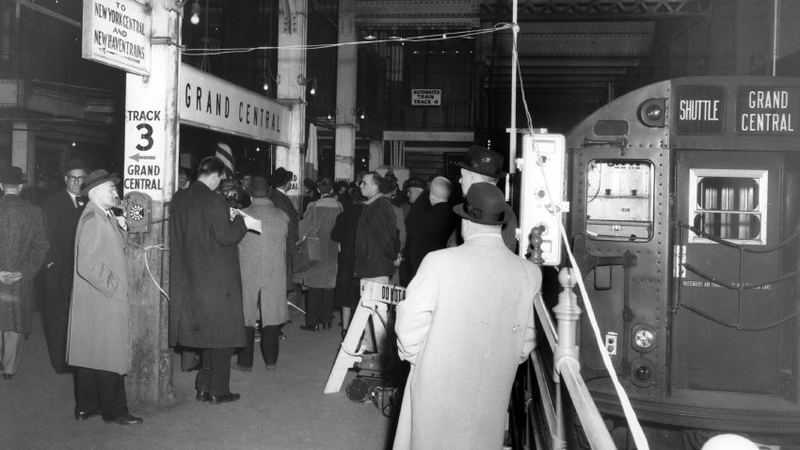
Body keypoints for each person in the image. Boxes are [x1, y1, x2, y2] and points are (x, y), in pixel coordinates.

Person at [393, 183, 540, 450]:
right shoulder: (529, 272)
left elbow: (408, 324)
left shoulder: (438, 262)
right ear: (501, 225)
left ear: (466, 223)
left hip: (437, 381)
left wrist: (422, 358)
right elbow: (528, 338)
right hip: (493, 386)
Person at [169, 156, 249, 404]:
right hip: (217, 279)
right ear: (215, 175)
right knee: (223, 336)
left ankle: (203, 386)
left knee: (206, 336)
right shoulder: (215, 200)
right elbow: (226, 236)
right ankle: (219, 390)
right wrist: (240, 220)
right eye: (221, 179)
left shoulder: (179, 197)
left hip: (191, 276)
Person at [66, 169, 142, 424]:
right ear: (96, 192)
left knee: (91, 353)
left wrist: (120, 227)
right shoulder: (94, 220)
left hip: (93, 300)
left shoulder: (99, 215)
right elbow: (87, 265)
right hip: (103, 297)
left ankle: (87, 406)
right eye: (111, 188)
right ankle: (115, 412)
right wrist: (113, 286)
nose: (116, 192)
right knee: (110, 354)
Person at [0, 166, 49, 380]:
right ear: (21, 186)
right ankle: (9, 368)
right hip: (20, 278)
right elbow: (41, 247)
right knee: (15, 322)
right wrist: (23, 271)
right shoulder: (35, 212)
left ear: (1, 186)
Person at [235, 176, 288, 370]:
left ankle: (245, 362)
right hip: (274, 271)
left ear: (250, 195)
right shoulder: (282, 216)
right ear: (269, 193)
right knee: (271, 314)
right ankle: (271, 361)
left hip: (247, 269)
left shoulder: (241, 215)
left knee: (247, 314)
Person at [41, 158, 88, 374]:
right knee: (57, 317)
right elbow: (44, 236)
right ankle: (60, 362)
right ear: (66, 179)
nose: (77, 182)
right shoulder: (52, 202)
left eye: (81, 178)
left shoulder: (89, 202)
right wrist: (50, 262)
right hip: (58, 268)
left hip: (82, 270)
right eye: (73, 178)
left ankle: (77, 359)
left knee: (78, 317)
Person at [297, 178, 342, 331]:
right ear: (331, 191)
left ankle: (312, 322)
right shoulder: (339, 206)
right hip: (333, 249)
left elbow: (303, 228)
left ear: (318, 191)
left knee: (314, 287)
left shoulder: (313, 206)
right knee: (329, 285)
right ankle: (327, 320)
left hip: (315, 249)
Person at [457, 145, 520, 251]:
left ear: (473, 179)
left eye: (462, 176)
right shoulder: (505, 213)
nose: (460, 180)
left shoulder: (476, 212)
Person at [402, 176, 458, 283]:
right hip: (448, 274)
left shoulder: (423, 219)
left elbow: (415, 252)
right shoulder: (458, 217)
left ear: (430, 194)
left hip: (425, 273)